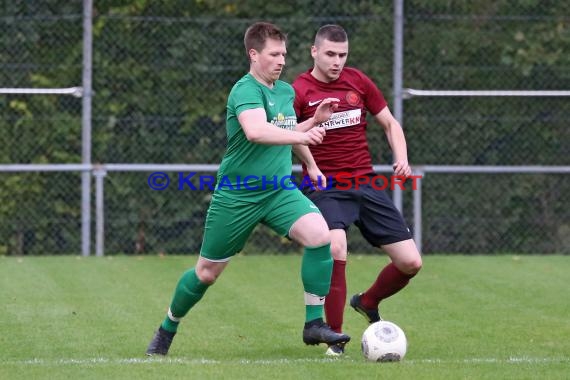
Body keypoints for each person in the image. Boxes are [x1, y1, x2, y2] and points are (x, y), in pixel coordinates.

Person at [146, 22, 350, 356]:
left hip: (278, 191)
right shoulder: (245, 90)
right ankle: (168, 327)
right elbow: (257, 131)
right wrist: (303, 134)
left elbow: (283, 130)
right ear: (254, 55)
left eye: (284, 53)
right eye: (274, 54)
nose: (281, 60)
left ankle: (313, 324)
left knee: (320, 236)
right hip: (238, 195)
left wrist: (311, 137)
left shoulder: (285, 91)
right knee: (206, 274)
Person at [292, 24, 422, 356]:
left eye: (343, 54)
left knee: (411, 262)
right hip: (326, 187)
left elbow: (390, 123)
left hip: (364, 182)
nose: (337, 61)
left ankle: (367, 301)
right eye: (331, 54)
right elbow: (291, 136)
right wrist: (313, 166)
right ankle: (335, 339)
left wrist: (402, 158)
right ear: (314, 52)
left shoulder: (358, 82)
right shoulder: (299, 91)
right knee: (337, 246)